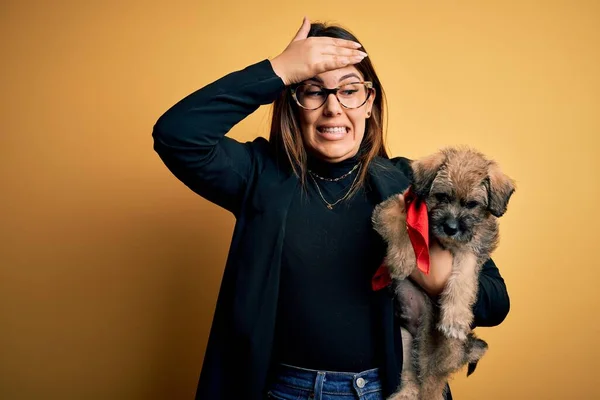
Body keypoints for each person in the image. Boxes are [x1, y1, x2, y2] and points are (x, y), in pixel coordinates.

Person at [152, 17, 510, 400]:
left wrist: (438, 280)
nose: (333, 108)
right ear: (294, 102)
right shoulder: (258, 175)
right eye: (314, 91)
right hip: (280, 391)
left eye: (349, 90)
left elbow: (495, 301)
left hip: (384, 391)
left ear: (370, 103)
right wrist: (278, 70)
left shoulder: (408, 185)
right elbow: (177, 134)